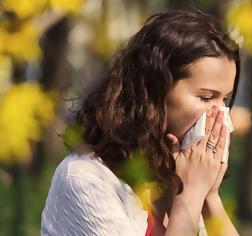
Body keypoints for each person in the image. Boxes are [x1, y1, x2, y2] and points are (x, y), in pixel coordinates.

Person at [41, 9, 240, 236]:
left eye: (224, 99)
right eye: (206, 97)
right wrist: (192, 195)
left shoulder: (178, 177)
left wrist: (209, 197)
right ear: (155, 91)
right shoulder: (86, 179)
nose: (220, 114)